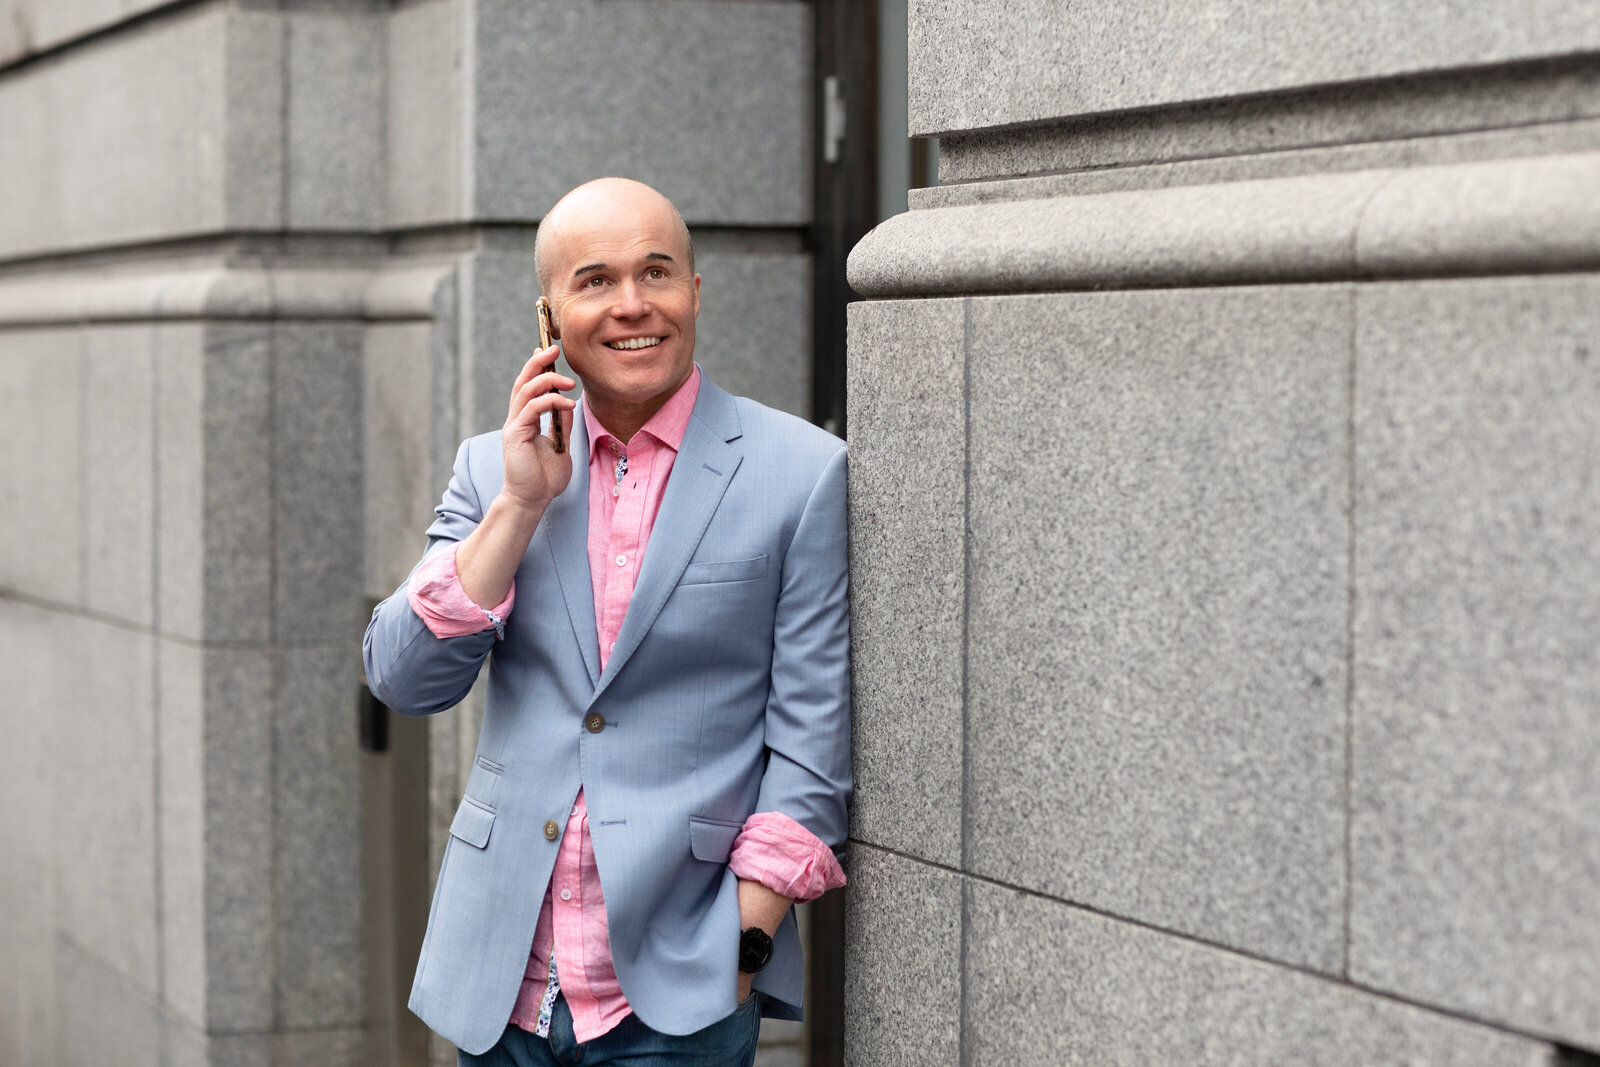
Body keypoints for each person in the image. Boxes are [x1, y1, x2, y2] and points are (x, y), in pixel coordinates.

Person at [364, 177, 851, 1066]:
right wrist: (517, 507)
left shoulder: (802, 472)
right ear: (549, 315)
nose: (633, 305)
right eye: (595, 281)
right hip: (501, 979)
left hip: (678, 989)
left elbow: (813, 740)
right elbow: (403, 678)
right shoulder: (491, 472)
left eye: (657, 273)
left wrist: (743, 947)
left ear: (695, 292)